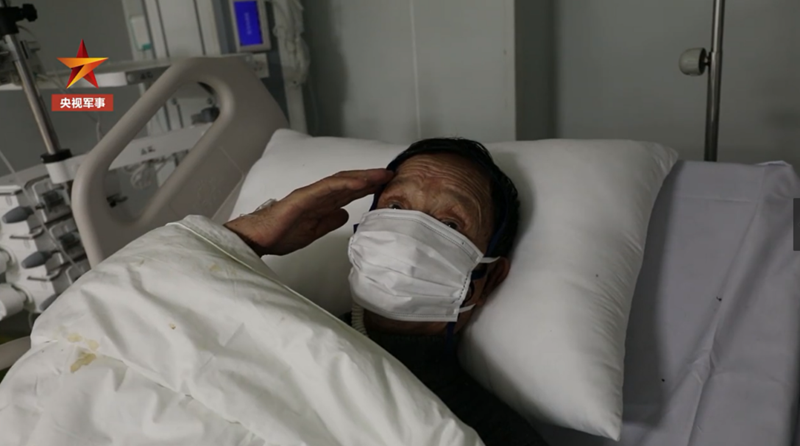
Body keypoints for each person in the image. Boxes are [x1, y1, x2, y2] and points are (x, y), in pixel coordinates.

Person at [224, 138, 548, 446]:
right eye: (395, 206)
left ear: (488, 279)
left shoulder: (494, 432)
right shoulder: (270, 327)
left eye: (450, 225)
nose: (408, 238)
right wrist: (247, 237)